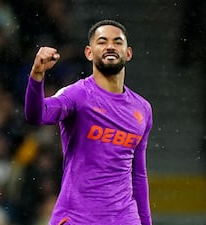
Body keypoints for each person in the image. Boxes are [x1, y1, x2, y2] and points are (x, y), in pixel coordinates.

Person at [24, 19, 153, 225]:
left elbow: (138, 174)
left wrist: (146, 222)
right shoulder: (77, 95)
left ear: (128, 53)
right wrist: (37, 74)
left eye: (117, 42)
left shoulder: (142, 108)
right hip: (77, 217)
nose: (110, 46)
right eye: (102, 41)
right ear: (89, 52)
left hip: (124, 218)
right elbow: (36, 115)